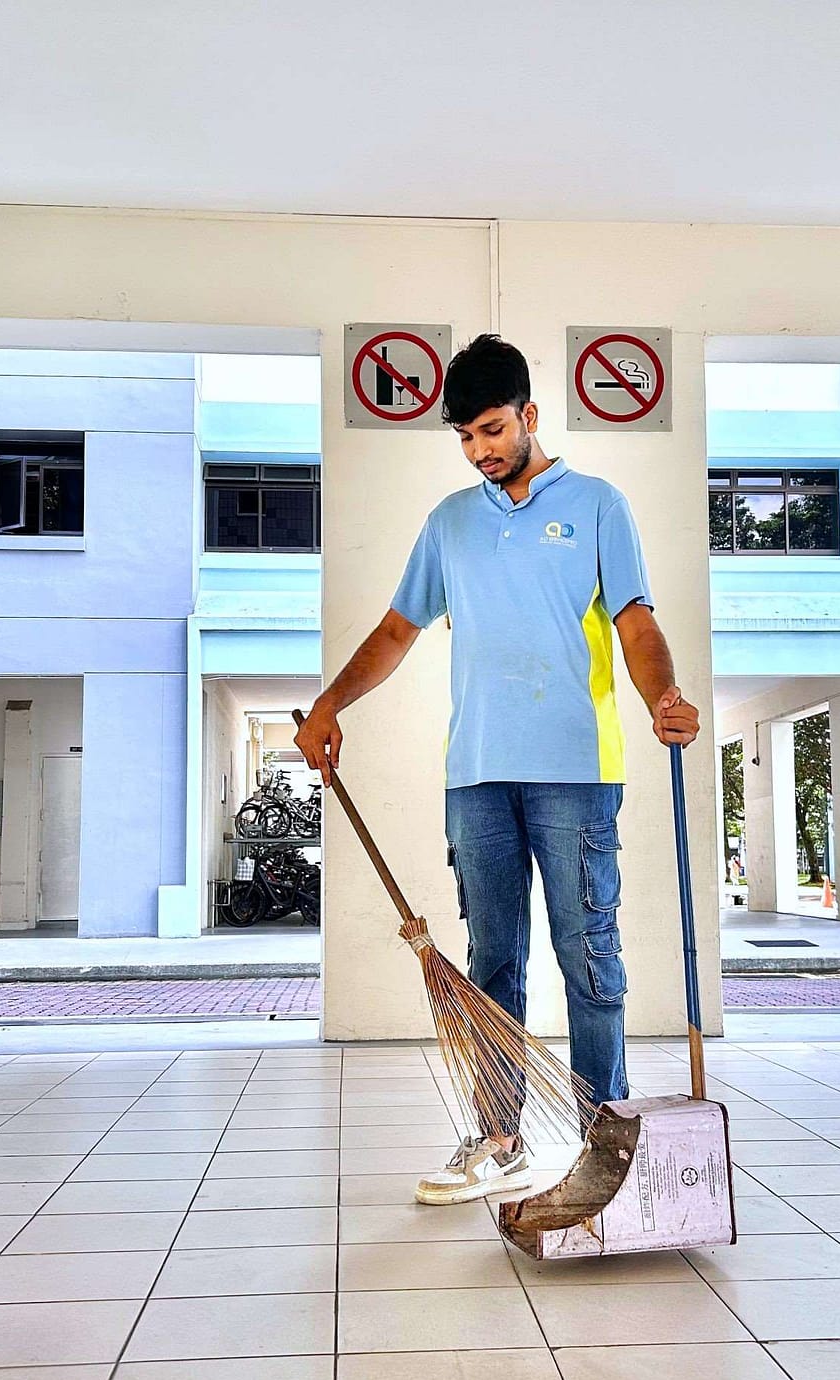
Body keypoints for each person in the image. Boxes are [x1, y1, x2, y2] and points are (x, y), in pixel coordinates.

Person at [296, 334, 699, 1205]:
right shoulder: (450, 522)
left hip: (576, 768)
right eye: (465, 438)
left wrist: (663, 692)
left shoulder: (597, 505)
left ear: (529, 416)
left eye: (491, 430)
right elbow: (399, 629)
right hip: (476, 774)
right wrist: (330, 705)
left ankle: (605, 1139)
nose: (480, 451)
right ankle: (500, 1136)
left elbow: (635, 622)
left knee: (589, 954)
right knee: (493, 963)